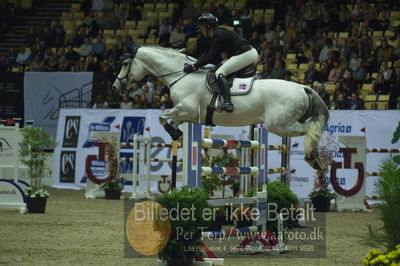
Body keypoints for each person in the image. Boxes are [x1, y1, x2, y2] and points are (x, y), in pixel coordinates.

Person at [183, 13, 258, 113]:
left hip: (246, 54)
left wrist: (193, 66)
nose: (200, 30)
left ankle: (227, 102)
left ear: (207, 26)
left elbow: (210, 57)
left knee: (219, 73)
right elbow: (219, 56)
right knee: (219, 68)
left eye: (201, 27)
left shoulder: (217, 35)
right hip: (247, 53)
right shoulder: (218, 34)